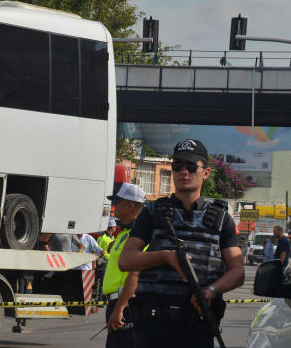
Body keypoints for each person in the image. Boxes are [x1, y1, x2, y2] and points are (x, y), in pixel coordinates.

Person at [119, 139, 244, 348]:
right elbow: (126, 260)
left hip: (198, 326)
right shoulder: (153, 213)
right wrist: (165, 256)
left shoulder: (221, 218)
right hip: (153, 327)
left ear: (206, 172)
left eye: (191, 165)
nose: (183, 171)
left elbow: (237, 272)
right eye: (177, 165)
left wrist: (212, 290)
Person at [103, 182, 146, 348]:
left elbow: (135, 273)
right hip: (117, 301)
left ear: (129, 206)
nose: (113, 206)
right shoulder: (126, 233)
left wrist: (121, 307)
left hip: (126, 303)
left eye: (116, 202)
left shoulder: (140, 235)